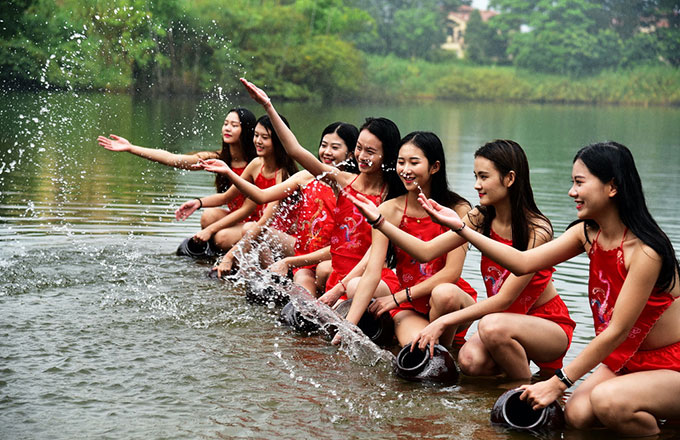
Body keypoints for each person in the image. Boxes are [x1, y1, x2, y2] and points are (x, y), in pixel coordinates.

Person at [418, 141, 680, 436]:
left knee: (608, 402)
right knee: (576, 416)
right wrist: (461, 228)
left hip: (671, 364)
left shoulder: (645, 252)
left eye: (579, 182)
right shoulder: (587, 234)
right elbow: (522, 263)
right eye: (572, 182)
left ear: (612, 187)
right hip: (626, 360)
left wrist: (558, 382)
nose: (571, 192)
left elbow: (617, 331)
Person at [354, 140, 574, 379]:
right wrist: (380, 222)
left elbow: (504, 299)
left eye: (484, 177)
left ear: (510, 178)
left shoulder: (537, 229)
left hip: (545, 323)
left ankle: (523, 389)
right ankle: (501, 381)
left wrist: (442, 322)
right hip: (502, 321)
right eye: (475, 176)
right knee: (469, 362)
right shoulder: (480, 217)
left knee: (489, 326)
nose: (477, 185)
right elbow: (426, 251)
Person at [241, 78, 406, 308]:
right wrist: (268, 106)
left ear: (386, 155)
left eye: (370, 151)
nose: (362, 156)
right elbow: (295, 150)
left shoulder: (391, 197)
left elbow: (375, 256)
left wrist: (340, 288)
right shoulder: (342, 181)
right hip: (337, 275)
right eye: (359, 148)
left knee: (335, 299)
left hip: (367, 279)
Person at [342, 132, 478, 347]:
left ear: (434, 167)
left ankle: (446, 346)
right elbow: (373, 271)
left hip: (450, 300)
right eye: (401, 162)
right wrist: (348, 327)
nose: (405, 169)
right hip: (411, 305)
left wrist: (398, 297)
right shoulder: (389, 210)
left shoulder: (458, 209)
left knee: (444, 295)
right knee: (417, 347)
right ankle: (422, 342)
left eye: (414, 162)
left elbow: (451, 273)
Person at [196, 122, 359, 295]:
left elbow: (343, 246)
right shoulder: (306, 177)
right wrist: (229, 172)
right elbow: (261, 195)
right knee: (260, 232)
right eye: (324, 145)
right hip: (302, 251)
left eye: (335, 147)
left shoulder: (353, 186)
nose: (327, 152)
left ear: (350, 154)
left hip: (330, 256)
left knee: (318, 280)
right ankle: (275, 282)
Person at [97, 108, 257, 224]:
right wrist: (131, 148)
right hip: (236, 220)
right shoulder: (218, 159)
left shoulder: (256, 163)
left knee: (218, 235)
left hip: (254, 224)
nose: (227, 128)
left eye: (234, 125)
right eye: (225, 124)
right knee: (209, 216)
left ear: (246, 130)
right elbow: (173, 159)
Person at [174, 114, 298, 252]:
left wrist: (226, 255)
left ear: (279, 140)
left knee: (221, 238)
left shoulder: (283, 175)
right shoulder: (256, 164)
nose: (258, 141)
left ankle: (233, 256)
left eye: (265, 137)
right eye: (256, 135)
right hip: (255, 225)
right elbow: (227, 196)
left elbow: (265, 221)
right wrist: (198, 203)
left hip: (278, 234)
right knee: (209, 216)